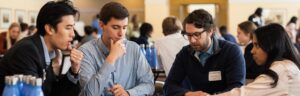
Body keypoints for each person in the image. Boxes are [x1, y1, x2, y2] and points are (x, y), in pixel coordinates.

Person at [0, 1, 83, 96]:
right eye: (68, 28)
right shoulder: (27, 51)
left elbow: (52, 91)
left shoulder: (45, 50)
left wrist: (73, 71)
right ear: (49, 29)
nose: (73, 34)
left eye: (73, 28)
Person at [163, 9, 246, 95]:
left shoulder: (231, 51)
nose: (192, 40)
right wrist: (188, 94)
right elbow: (168, 86)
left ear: (210, 31)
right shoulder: (185, 53)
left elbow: (236, 89)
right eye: (188, 35)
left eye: (197, 34)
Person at [78, 2, 154, 96]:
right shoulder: (85, 52)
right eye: (115, 27)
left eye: (124, 27)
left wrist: (128, 93)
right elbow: (88, 94)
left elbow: (149, 85)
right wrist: (111, 58)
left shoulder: (134, 49)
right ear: (101, 25)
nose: (121, 34)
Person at [203, 23, 300, 96]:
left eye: (256, 45)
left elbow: (242, 94)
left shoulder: (281, 70)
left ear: (271, 46)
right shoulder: (286, 66)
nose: (252, 51)